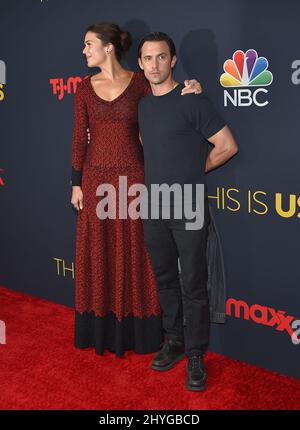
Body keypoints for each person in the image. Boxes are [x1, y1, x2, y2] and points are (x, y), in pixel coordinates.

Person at [70, 22, 202, 358]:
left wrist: (191, 88)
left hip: (135, 180)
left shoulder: (142, 81)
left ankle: (142, 332)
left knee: (139, 257)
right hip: (96, 182)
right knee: (100, 256)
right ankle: (101, 329)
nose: (84, 51)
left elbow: (167, 99)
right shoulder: (84, 88)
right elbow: (77, 139)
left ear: (109, 47)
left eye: (89, 44)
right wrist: (75, 183)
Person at [138, 32, 238, 390]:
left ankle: (196, 354)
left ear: (173, 60)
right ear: (140, 64)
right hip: (152, 206)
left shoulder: (193, 100)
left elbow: (227, 145)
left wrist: (194, 172)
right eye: (147, 58)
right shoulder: (143, 106)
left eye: (161, 57)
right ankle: (174, 342)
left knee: (194, 284)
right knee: (165, 280)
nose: (154, 64)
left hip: (188, 206)